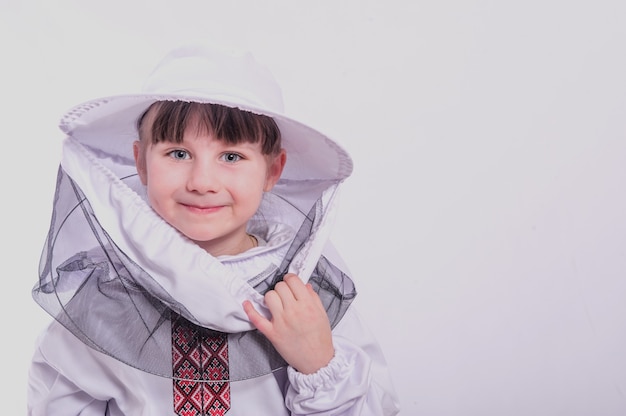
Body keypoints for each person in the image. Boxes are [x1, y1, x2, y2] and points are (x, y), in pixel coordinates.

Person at [27, 43, 400, 415]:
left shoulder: (305, 299)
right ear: (141, 162)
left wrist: (319, 364)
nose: (202, 181)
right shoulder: (104, 304)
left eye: (231, 156)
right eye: (178, 153)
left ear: (272, 170)